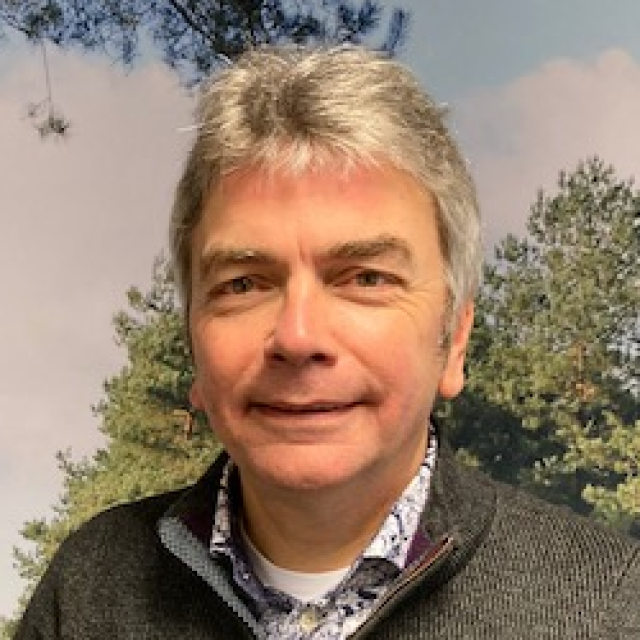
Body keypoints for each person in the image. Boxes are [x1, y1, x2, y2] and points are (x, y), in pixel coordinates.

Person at [15, 45, 639, 640]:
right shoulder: (90, 589)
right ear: (193, 344)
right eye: (243, 283)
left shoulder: (610, 604)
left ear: (454, 339)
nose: (298, 336)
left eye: (366, 278)